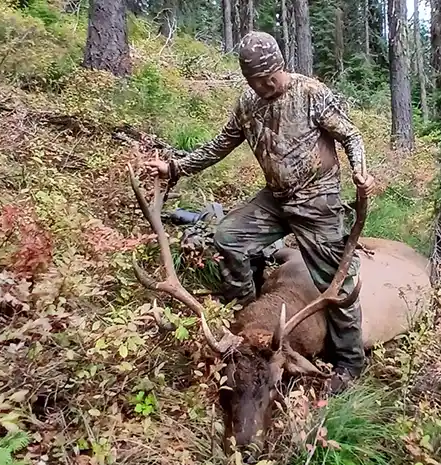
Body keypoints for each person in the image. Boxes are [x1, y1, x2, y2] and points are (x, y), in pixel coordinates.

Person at [144, 31, 375, 393]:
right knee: (229, 236)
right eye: (257, 79)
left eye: (271, 76)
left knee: (338, 282)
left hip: (318, 202)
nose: (267, 84)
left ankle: (350, 362)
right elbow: (221, 144)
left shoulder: (311, 94)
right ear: (247, 78)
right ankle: (247, 323)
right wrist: (176, 168)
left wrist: (360, 170)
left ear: (281, 66)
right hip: (276, 197)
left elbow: (351, 135)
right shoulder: (248, 104)